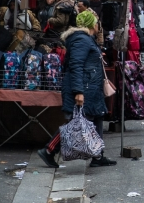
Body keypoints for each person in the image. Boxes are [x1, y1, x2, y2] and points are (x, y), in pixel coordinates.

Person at [37, 11, 116, 169]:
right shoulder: (81, 39)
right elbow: (76, 65)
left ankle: (97, 155)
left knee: (97, 117)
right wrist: (79, 92)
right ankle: (49, 150)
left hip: (91, 86)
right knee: (77, 122)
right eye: (95, 21)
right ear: (90, 24)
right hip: (85, 87)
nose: (97, 24)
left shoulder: (86, 39)